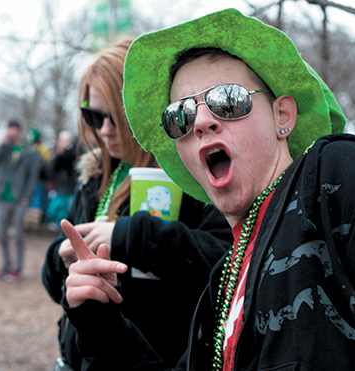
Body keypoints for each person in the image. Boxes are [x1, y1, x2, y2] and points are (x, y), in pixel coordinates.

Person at [60, 9, 354, 370]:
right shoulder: (225, 282)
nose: (199, 121)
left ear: (283, 116)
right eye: (178, 116)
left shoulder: (332, 175)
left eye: (228, 100)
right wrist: (97, 319)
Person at [42, 38, 232, 371]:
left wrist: (128, 237)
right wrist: (61, 258)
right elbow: (54, 284)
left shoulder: (193, 173)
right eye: (93, 116)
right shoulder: (98, 177)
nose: (104, 131)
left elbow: (225, 261)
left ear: (144, 109)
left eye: (116, 117)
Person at [0, 120, 42, 282]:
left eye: (14, 130)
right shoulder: (3, 149)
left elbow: (33, 175)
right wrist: (3, 145)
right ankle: (5, 267)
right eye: (9, 129)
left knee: (18, 234)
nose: (12, 133)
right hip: (1, 196)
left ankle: (17, 269)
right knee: (1, 233)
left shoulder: (29, 151)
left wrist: (27, 196)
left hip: (19, 198)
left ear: (19, 131)